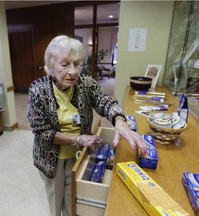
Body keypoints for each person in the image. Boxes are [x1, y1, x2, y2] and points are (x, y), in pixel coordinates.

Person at [26, 35, 147, 216]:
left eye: (77, 64)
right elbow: (41, 131)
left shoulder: (85, 84)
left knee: (73, 199)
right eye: (65, 64)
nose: (73, 71)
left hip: (78, 155)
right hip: (52, 159)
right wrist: (79, 139)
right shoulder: (38, 90)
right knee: (55, 202)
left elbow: (106, 102)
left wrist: (120, 123)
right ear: (51, 65)